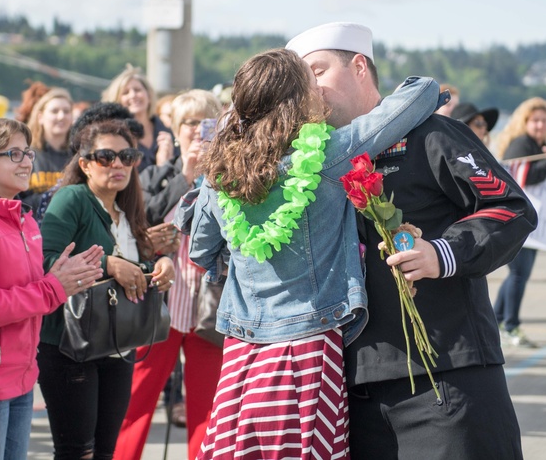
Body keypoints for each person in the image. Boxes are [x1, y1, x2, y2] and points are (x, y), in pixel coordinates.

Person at [287, 22, 537, 460]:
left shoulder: (430, 134)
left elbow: (512, 209)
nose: (311, 87)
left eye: (319, 71)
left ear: (359, 67)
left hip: (445, 379)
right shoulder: (310, 164)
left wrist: (442, 253)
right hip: (352, 396)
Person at [187, 47, 443, 459]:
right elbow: (423, 92)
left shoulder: (221, 175)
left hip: (243, 349)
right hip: (308, 346)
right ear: (298, 102)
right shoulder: (327, 155)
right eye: (312, 86)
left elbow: (200, 248)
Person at [0, 117, 103, 460]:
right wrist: (54, 287)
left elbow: (28, 295)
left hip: (21, 376)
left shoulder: (21, 216)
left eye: (28, 152)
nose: (26, 161)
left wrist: (59, 281)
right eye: (13, 153)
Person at [38, 120, 175, 460]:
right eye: (105, 156)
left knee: (105, 452)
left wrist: (160, 265)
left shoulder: (125, 209)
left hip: (117, 343)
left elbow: (134, 267)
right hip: (69, 345)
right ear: (84, 163)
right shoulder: (71, 198)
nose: (117, 164)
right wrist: (108, 265)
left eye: (127, 156)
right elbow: (45, 260)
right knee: (76, 452)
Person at [114, 90, 224, 460]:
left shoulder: (233, 176)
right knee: (135, 403)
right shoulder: (154, 174)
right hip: (159, 302)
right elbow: (138, 223)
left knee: (208, 412)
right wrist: (186, 176)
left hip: (209, 305)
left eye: (206, 122)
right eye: (189, 123)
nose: (197, 131)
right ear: (175, 130)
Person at [492, 97, 546, 349]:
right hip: (516, 222)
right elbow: (522, 177)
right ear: (524, 122)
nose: (539, 125)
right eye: (534, 120)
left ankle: (496, 321)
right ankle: (510, 325)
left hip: (532, 226)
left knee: (518, 275)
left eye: (543, 120)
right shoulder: (520, 145)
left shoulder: (540, 145)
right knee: (518, 274)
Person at [102, 65, 173, 171]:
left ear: (148, 96)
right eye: (125, 92)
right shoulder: (114, 137)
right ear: (117, 100)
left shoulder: (166, 131)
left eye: (137, 90)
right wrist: (161, 169)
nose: (133, 95)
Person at [22, 88, 74, 209]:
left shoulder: (78, 156)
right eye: (54, 111)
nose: (61, 116)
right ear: (40, 117)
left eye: (66, 111)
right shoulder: (25, 155)